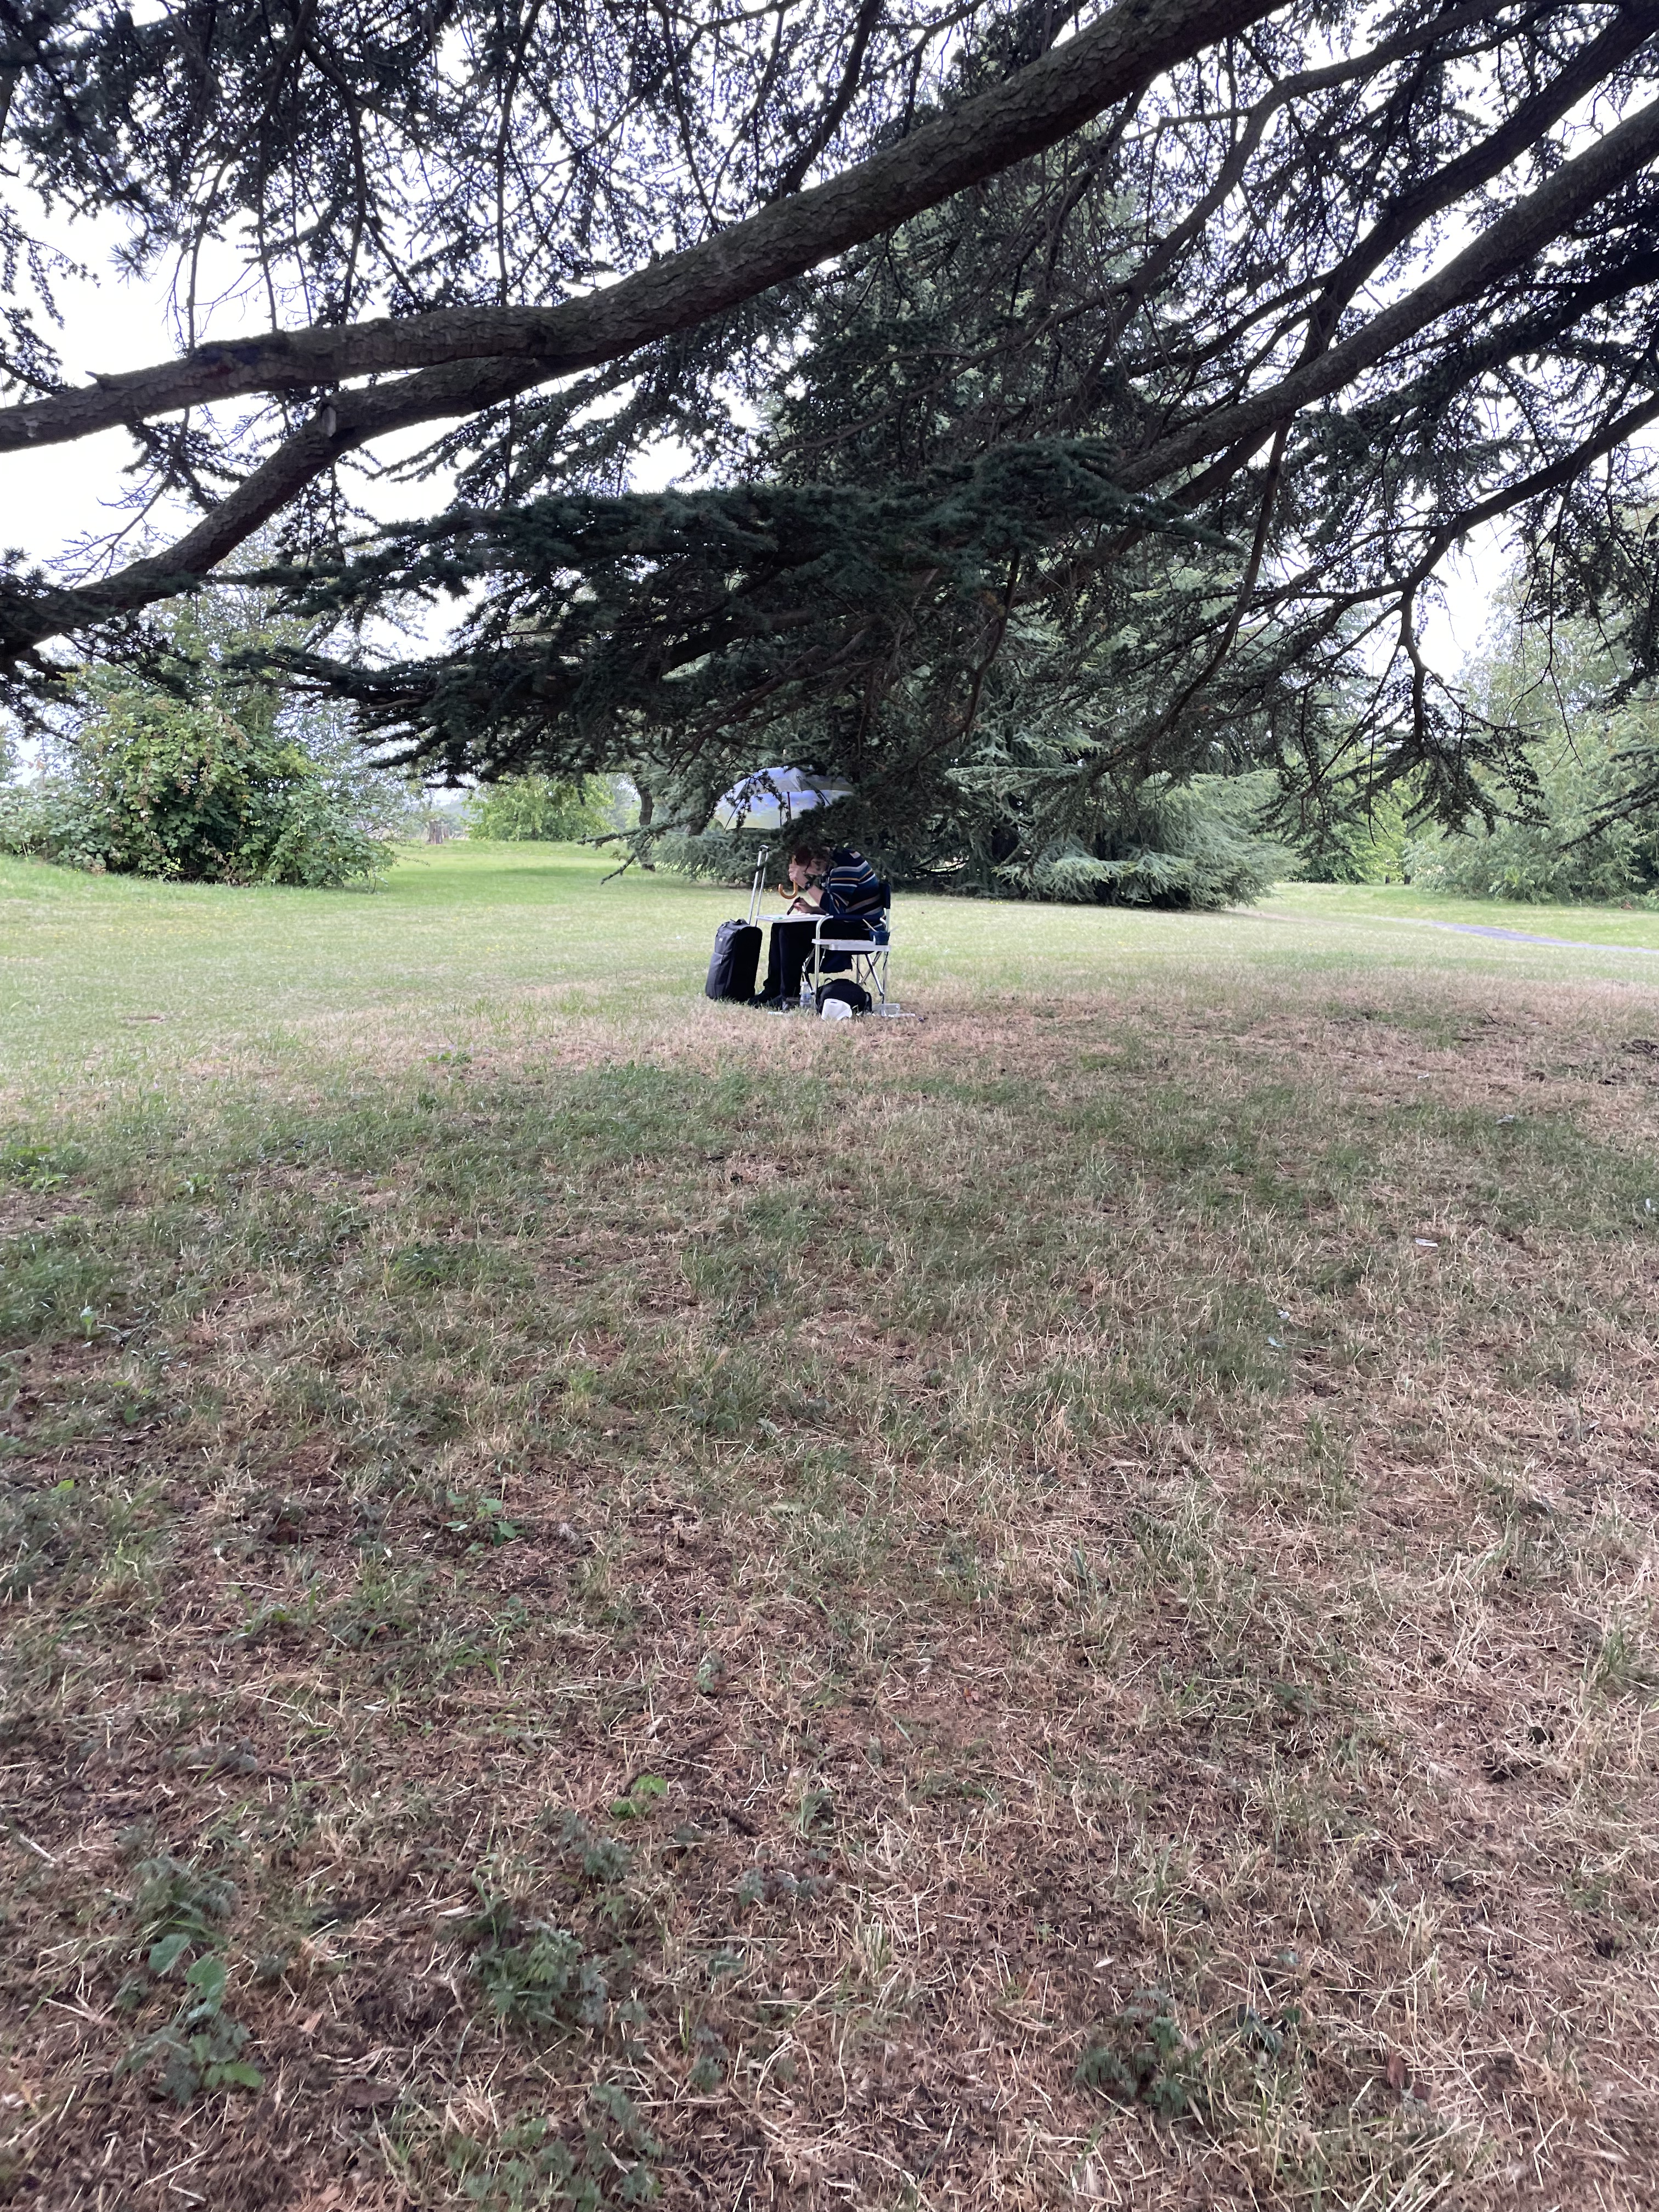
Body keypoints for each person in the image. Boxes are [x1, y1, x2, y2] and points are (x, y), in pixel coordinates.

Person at [753, 840, 883, 1007]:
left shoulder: (844, 865)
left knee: (791, 932)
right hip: (848, 921)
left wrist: (805, 884)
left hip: (865, 928)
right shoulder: (832, 864)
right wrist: (812, 909)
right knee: (780, 926)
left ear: (815, 862)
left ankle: (789, 997)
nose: (811, 876)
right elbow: (839, 906)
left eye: (807, 872)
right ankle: (773, 989)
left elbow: (836, 908)